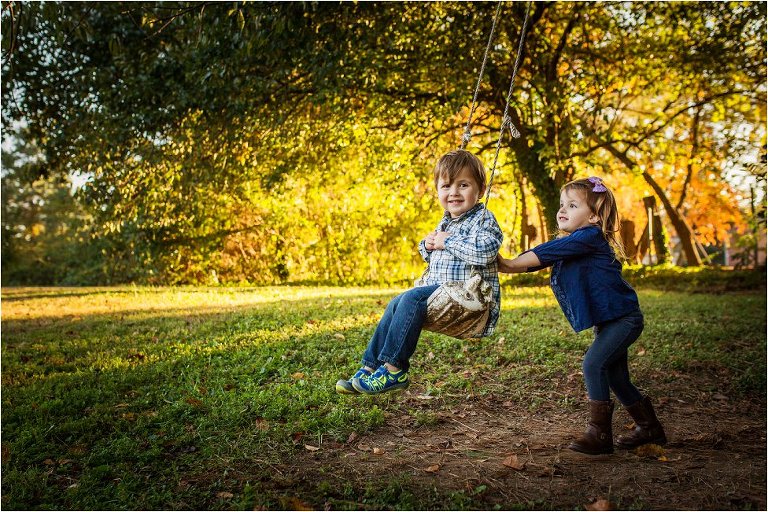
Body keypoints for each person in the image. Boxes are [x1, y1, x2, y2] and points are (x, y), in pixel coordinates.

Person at [497, 177, 666, 455]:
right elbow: (550, 256)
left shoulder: (589, 237)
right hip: (611, 321)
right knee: (617, 378)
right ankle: (649, 428)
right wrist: (511, 265)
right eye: (562, 204)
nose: (562, 210)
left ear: (595, 216)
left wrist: (509, 264)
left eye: (572, 205)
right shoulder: (577, 242)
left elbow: (546, 252)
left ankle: (599, 434)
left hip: (624, 319)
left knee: (592, 364)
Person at [335, 149, 503, 396]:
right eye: (446, 186)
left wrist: (448, 241)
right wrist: (427, 245)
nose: (454, 192)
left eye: (463, 185)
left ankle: (394, 370)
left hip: (469, 296)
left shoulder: (483, 219)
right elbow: (434, 253)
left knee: (412, 298)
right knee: (397, 302)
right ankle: (370, 368)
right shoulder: (445, 222)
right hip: (440, 293)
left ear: (481, 190)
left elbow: (486, 250)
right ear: (437, 190)